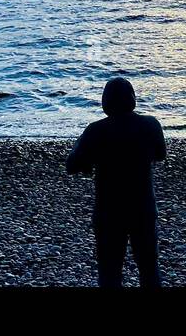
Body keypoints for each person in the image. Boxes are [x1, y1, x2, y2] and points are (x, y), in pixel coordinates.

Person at [65, 77, 167, 288]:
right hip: (143, 207)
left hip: (109, 210)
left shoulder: (96, 130)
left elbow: (72, 165)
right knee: (149, 267)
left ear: (105, 102)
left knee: (110, 270)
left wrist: (89, 159)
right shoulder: (151, 125)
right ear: (132, 99)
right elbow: (160, 154)